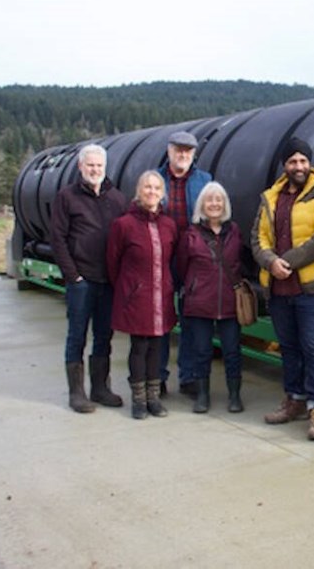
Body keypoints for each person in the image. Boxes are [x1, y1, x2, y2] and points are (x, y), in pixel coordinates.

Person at [252, 136, 314, 441]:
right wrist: (269, 262)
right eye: (293, 161)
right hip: (278, 290)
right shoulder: (270, 198)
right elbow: (257, 239)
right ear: (284, 165)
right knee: (289, 348)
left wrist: (286, 261)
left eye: (303, 160)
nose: (299, 166)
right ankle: (294, 399)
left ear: (310, 163)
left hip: (312, 289)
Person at [50, 143, 128, 413]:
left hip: (108, 282)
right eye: (90, 165)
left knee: (104, 336)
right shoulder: (67, 197)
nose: (95, 169)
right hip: (82, 281)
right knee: (77, 336)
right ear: (80, 167)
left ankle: (100, 388)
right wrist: (73, 276)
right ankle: (77, 393)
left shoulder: (117, 199)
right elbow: (57, 238)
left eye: (99, 165)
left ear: (105, 168)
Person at [106, 170, 179, 419]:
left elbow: (173, 260)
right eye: (147, 187)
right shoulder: (123, 225)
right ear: (139, 191)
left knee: (158, 347)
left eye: (157, 188)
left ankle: (154, 398)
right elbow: (112, 263)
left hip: (162, 295)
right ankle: (138, 400)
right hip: (137, 297)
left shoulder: (169, 225)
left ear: (162, 194)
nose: (152, 192)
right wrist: (131, 287)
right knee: (139, 347)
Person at [176, 181, 245, 414]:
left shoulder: (234, 231)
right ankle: (202, 395)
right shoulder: (191, 234)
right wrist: (194, 287)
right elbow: (182, 266)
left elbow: (241, 263)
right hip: (200, 301)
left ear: (224, 204)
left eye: (218, 200)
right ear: (202, 205)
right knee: (202, 351)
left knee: (232, 350)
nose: (214, 204)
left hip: (229, 301)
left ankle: (235, 395)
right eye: (209, 200)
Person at [159, 130, 212, 397]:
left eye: (188, 151)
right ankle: (157, 376)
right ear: (169, 151)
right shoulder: (155, 180)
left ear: (194, 154)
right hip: (162, 259)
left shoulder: (205, 181)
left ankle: (189, 376)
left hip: (193, 260)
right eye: (178, 149)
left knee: (191, 320)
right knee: (160, 319)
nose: (183, 155)